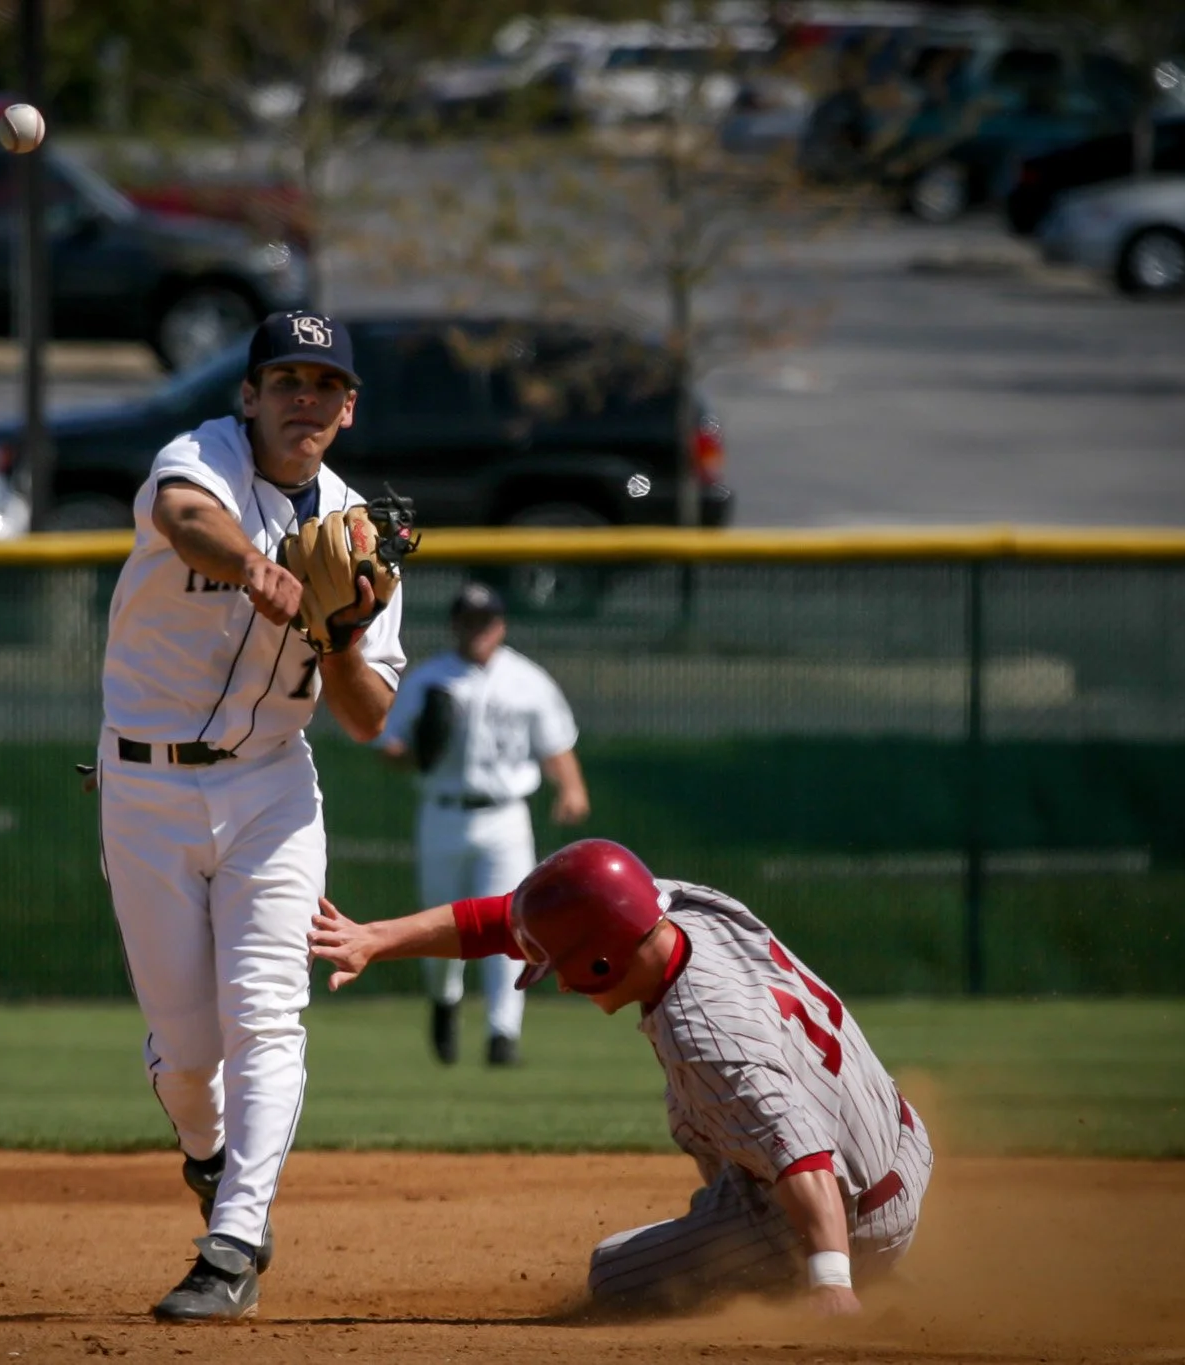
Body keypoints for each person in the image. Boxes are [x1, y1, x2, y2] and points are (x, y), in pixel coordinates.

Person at [97, 310, 404, 1323]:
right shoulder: (201, 459)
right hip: (143, 786)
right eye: (285, 380)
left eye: (323, 384)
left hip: (272, 785)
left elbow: (367, 720)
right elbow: (185, 520)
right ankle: (206, 1151)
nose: (303, 399)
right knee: (186, 1055)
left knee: (266, 1014)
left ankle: (231, 1242)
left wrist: (344, 635)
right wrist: (256, 567)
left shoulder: (357, 537)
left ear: (347, 408)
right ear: (250, 396)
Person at [309, 838, 932, 1317]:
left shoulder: (704, 1037)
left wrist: (831, 1283)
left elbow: (804, 1159)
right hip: (896, 1140)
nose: (559, 981)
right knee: (712, 1114)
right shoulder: (681, 909)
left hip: (852, 1213)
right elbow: (519, 922)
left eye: (564, 968)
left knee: (614, 1276)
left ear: (603, 959)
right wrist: (376, 939)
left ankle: (827, 1270)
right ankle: (816, 1249)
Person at [376, 580, 589, 1067]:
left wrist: (572, 788)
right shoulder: (430, 678)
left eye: (485, 621)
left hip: (505, 817)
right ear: (455, 625)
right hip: (444, 812)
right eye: (468, 621)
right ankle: (445, 1002)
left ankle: (502, 1035)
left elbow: (555, 743)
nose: (477, 630)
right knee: (436, 924)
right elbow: (389, 746)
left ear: (501, 625)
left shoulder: (527, 680)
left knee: (514, 925)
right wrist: (416, 754)